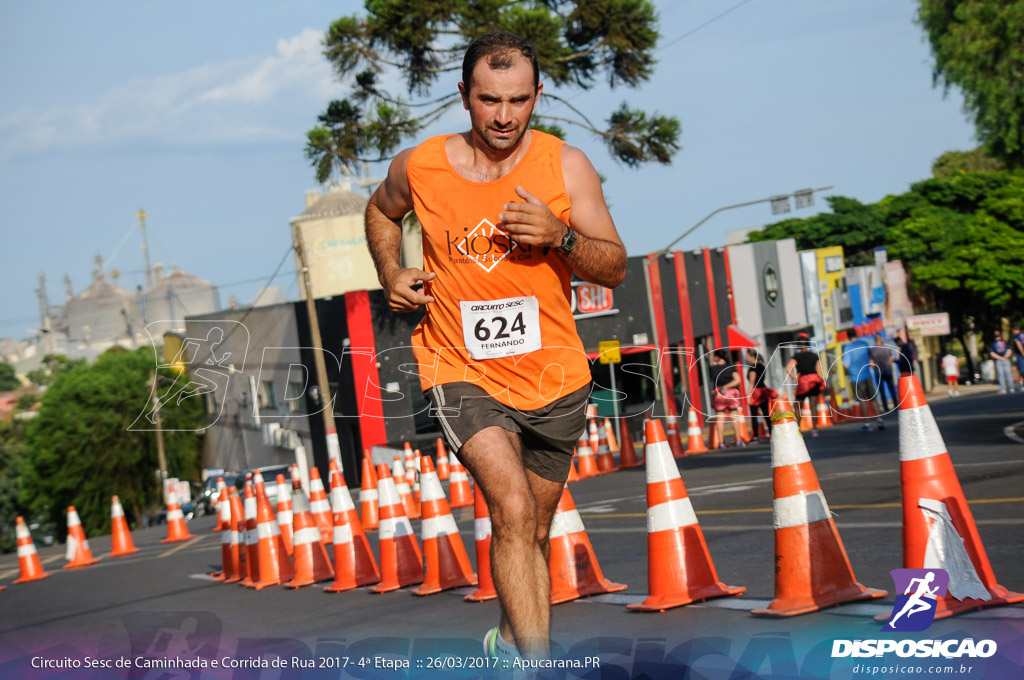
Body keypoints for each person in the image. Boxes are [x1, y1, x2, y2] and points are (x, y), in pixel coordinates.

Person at [364, 32, 626, 661]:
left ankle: (507, 643)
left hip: (553, 379)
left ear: (537, 95)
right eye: (489, 100)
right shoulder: (420, 165)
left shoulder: (565, 166)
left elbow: (613, 266)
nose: (504, 116)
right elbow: (380, 212)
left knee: (531, 532)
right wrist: (391, 273)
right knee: (509, 508)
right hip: (459, 369)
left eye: (517, 100)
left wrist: (561, 236)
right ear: (464, 96)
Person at [785, 333, 824, 438]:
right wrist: (821, 380)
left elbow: (788, 368)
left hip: (802, 381)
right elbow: (819, 371)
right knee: (813, 405)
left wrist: (795, 377)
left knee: (798, 406)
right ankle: (815, 429)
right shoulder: (814, 356)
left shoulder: (796, 357)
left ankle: (797, 429)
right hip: (813, 381)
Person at [843, 333, 878, 432]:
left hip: (856, 378)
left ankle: (867, 424)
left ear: (848, 337)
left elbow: (846, 364)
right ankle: (880, 420)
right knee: (873, 399)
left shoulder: (848, 348)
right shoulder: (864, 343)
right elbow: (871, 357)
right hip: (867, 375)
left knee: (862, 400)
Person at [708, 351, 744, 448]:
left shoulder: (712, 369)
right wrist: (726, 386)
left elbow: (713, 379)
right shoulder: (731, 367)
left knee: (720, 418)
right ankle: (738, 440)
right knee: (734, 417)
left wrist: (721, 388)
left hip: (719, 393)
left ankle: (721, 442)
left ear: (717, 357)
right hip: (731, 393)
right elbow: (738, 380)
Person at [745, 349, 776, 439]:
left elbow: (752, 382)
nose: (746, 359)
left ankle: (755, 436)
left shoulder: (753, 367)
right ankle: (772, 431)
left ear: (752, 357)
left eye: (747, 357)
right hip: (763, 391)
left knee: (754, 414)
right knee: (766, 412)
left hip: (756, 392)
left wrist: (748, 395)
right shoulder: (761, 366)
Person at [990, 330, 1014, 394]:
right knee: (1008, 374)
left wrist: (1000, 358)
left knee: (1001, 375)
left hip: (999, 360)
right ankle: (1011, 388)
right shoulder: (1005, 342)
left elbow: (992, 353)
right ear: (1000, 335)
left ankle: (1003, 389)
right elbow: (1009, 350)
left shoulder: (993, 344)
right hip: (1006, 359)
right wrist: (1005, 357)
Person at [1012, 325, 1024, 392]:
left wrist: (1022, 353)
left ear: (1014, 330)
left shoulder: (1016, 336)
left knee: (1022, 370)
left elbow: (1018, 344)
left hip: (1020, 354)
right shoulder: (1023, 334)